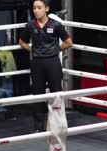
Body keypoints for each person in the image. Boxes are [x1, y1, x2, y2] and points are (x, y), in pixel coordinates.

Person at [19, 0, 73, 132]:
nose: (36, 10)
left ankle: (58, 124)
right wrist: (33, 50)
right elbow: (22, 42)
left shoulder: (56, 25)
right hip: (37, 63)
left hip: (53, 62)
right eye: (34, 8)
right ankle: (39, 127)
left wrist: (57, 50)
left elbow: (68, 42)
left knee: (56, 93)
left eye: (39, 8)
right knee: (38, 93)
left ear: (46, 9)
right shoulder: (30, 25)